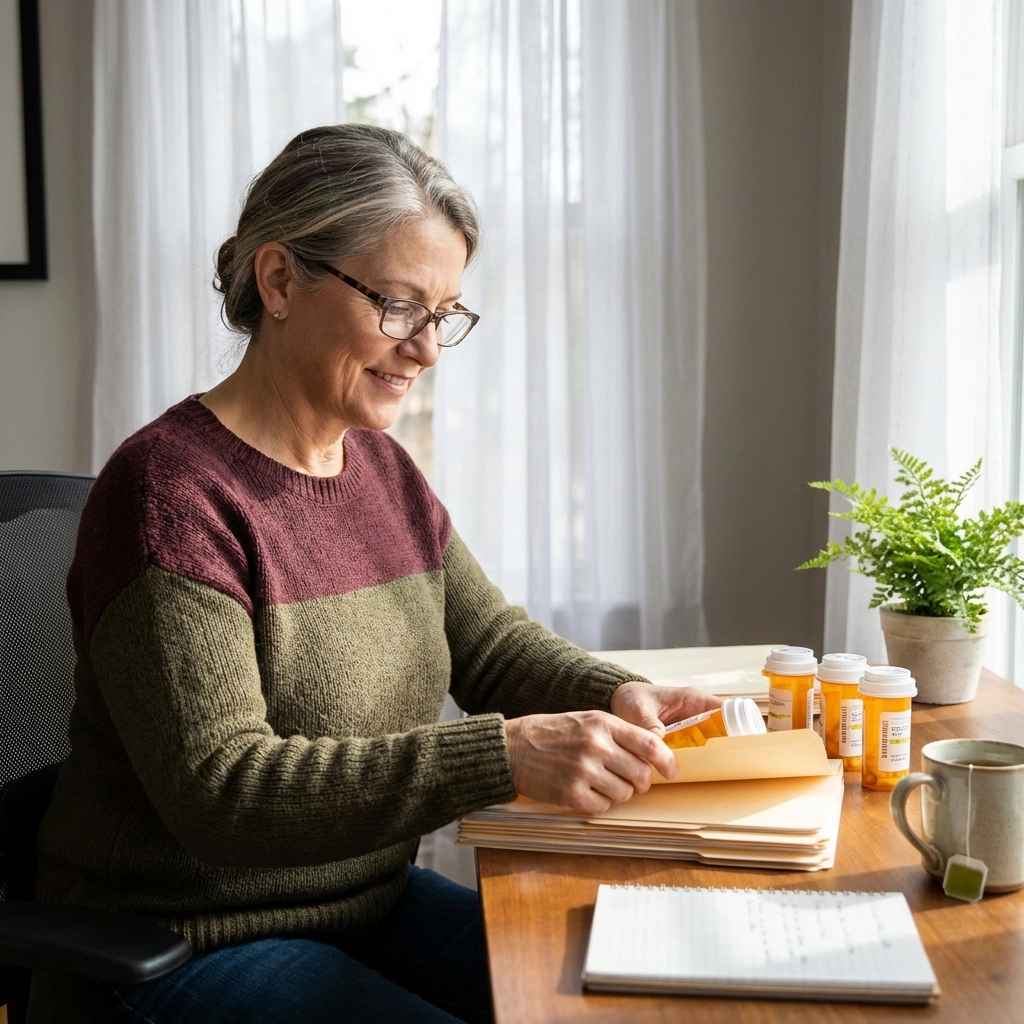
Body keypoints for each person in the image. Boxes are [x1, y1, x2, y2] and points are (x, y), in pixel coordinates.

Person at [36, 124, 719, 1024]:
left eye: (444, 316)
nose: (427, 350)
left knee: (614, 1002)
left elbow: (493, 650)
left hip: (365, 907)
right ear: (279, 280)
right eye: (399, 306)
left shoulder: (380, 471)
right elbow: (224, 792)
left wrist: (626, 694)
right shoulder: (169, 494)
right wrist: (505, 757)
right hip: (176, 944)